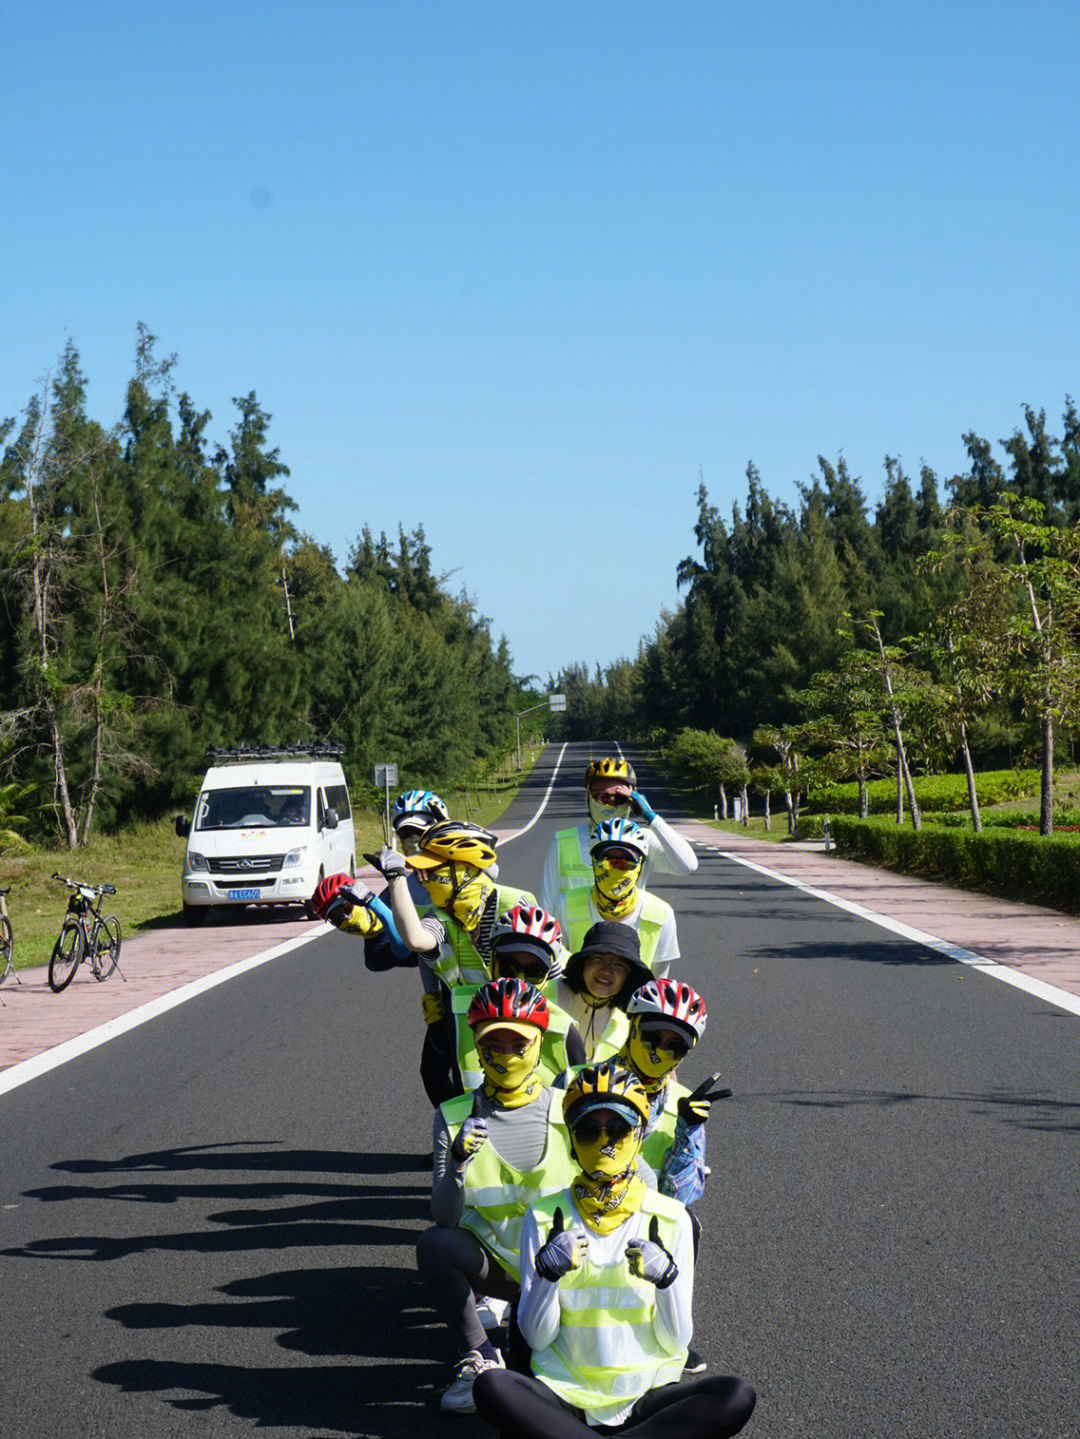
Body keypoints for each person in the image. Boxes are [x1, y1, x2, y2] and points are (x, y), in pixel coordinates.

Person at [473, 1061, 756, 1438]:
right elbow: (537, 1338)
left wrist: (667, 1280)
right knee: (491, 1386)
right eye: (589, 1130)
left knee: (736, 1394)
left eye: (619, 1129)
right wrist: (546, 1277)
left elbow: (677, 1341)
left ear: (638, 1135)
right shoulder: (542, 1215)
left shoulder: (672, 1218)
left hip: (646, 1392)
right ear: (572, 1141)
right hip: (565, 1394)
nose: (605, 1141)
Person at [417, 978, 576, 1414]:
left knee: (545, 1387)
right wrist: (457, 1163)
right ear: (479, 1046)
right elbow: (446, 1218)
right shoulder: (452, 1116)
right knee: (434, 1244)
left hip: (565, 1268)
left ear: (539, 1044)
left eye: (517, 1043)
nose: (505, 1054)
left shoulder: (570, 1108)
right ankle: (480, 1356)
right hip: (500, 1269)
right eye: (494, 1043)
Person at [377, 820, 538, 1104]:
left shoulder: (516, 904)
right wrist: (396, 878)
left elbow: (552, 970)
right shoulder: (440, 916)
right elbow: (415, 940)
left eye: (430, 871)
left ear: (463, 870)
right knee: (450, 1082)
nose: (422, 879)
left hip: (521, 1020)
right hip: (469, 1019)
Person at [619, 978, 729, 1377]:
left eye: (674, 1046)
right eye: (652, 1035)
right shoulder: (581, 1078)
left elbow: (680, 1196)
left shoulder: (686, 1106)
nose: (659, 1051)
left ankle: (670, 1331)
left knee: (687, 1224)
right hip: (583, 1204)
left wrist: (686, 1132)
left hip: (643, 1213)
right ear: (631, 1027)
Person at [539, 758, 697, 916]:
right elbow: (547, 906)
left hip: (626, 937)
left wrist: (651, 817)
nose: (610, 804)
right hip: (577, 937)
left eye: (619, 798)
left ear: (632, 800)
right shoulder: (563, 843)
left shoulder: (643, 840)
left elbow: (687, 865)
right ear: (588, 798)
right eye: (602, 797)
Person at [551, 819, 679, 974]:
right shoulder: (565, 906)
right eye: (607, 862)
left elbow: (660, 985)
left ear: (640, 866)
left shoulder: (661, 915)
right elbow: (557, 976)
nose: (615, 869)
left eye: (626, 863)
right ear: (593, 862)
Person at [556, 921, 654, 1063]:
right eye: (599, 959)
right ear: (583, 962)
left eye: (619, 965)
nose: (607, 970)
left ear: (629, 976)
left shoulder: (635, 1022)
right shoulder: (545, 994)